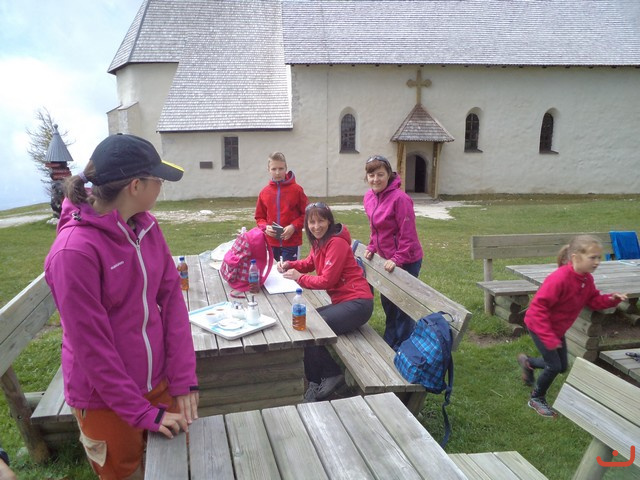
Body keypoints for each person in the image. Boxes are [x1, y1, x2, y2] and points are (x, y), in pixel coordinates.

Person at [44, 134, 199, 479]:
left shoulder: (147, 227)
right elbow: (92, 348)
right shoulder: (74, 252)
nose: (161, 186)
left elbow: (171, 299)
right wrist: (140, 412)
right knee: (125, 473)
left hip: (156, 381)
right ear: (135, 186)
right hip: (104, 399)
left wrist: (183, 377)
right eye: (158, 180)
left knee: (174, 467)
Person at [518, 235, 627, 418]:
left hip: (556, 329)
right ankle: (536, 398)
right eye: (592, 257)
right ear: (576, 257)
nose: (597, 262)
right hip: (540, 327)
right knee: (554, 366)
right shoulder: (559, 279)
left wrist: (610, 299)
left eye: (599, 257)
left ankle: (528, 362)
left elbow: (593, 300)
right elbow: (537, 309)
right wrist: (548, 337)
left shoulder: (586, 279)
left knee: (561, 367)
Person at [278, 202, 374, 402]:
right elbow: (309, 263)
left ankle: (329, 376)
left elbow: (327, 280)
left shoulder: (336, 243)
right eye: (312, 222)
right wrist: (289, 264)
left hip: (358, 304)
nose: (316, 226)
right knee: (305, 322)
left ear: (329, 221)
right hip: (345, 302)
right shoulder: (320, 242)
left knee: (309, 327)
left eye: (321, 221)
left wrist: (299, 278)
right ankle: (317, 377)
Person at [363, 155, 424, 350]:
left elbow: (408, 234)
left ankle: (404, 347)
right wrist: (372, 247)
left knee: (403, 306)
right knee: (388, 302)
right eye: (371, 175)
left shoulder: (400, 199)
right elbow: (376, 229)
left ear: (389, 175)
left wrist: (398, 259)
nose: (375, 179)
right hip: (385, 259)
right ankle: (390, 341)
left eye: (380, 174)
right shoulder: (369, 197)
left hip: (407, 259)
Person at [255, 152, 308, 262]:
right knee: (273, 271)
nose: (277, 172)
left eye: (281, 168)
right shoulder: (264, 192)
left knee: (290, 271)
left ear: (286, 168)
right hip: (271, 243)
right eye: (274, 169)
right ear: (268, 170)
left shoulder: (297, 190)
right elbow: (259, 217)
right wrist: (265, 227)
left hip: (292, 242)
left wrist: (293, 226)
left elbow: (307, 214)